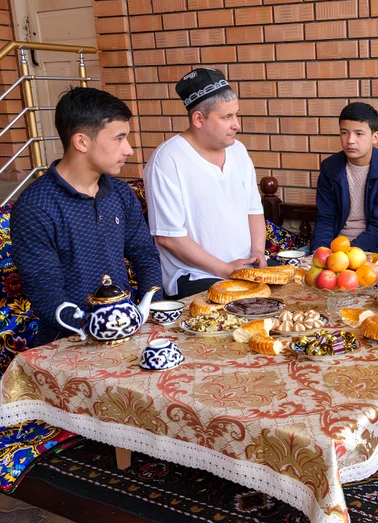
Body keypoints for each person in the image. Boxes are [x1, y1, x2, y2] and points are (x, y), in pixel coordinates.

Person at [11, 87, 163, 346]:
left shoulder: (120, 193)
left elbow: (145, 255)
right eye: (119, 138)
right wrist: (102, 328)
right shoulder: (35, 207)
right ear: (81, 142)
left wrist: (149, 310)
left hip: (126, 331)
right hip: (68, 343)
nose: (128, 149)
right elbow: (47, 296)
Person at [143, 68, 267, 299]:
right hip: (195, 276)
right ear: (198, 118)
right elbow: (169, 237)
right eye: (226, 117)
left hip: (244, 271)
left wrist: (258, 252)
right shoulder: (168, 160)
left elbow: (253, 210)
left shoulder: (238, 151)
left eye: (236, 114)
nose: (236, 124)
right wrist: (226, 270)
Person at [311, 102, 378, 253]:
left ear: (375, 137)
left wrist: (349, 253)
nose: (350, 140)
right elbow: (326, 218)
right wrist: (320, 251)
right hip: (335, 248)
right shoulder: (330, 169)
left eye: (359, 134)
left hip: (374, 251)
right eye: (344, 132)